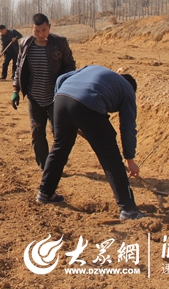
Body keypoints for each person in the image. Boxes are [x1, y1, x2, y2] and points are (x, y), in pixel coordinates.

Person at [36, 65, 144, 221]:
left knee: (59, 148)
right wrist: (130, 159)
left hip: (61, 99)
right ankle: (129, 210)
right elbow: (128, 127)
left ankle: (45, 193)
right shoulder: (127, 90)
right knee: (111, 157)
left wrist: (59, 105)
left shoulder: (97, 70)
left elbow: (61, 78)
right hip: (87, 103)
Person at [10, 13, 76, 171]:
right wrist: (15, 89)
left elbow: (70, 66)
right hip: (34, 96)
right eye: (37, 31)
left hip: (56, 97)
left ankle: (56, 164)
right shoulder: (25, 44)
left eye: (44, 30)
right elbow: (19, 67)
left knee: (59, 133)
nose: (40, 34)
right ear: (31, 29)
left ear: (49, 28)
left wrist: (65, 87)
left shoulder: (60, 43)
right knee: (37, 133)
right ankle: (45, 166)